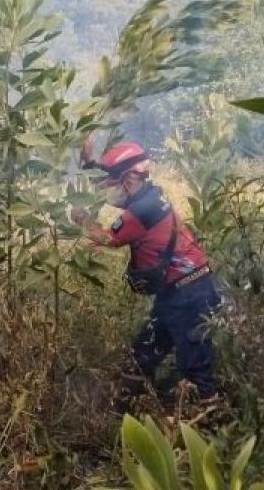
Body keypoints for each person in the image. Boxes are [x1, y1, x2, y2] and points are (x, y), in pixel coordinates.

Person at [72, 141, 222, 406]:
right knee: (141, 356)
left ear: (130, 178)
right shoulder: (150, 195)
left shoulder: (142, 210)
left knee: (197, 371)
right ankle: (128, 411)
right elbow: (105, 180)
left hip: (188, 295)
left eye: (115, 184)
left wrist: (82, 219)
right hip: (179, 292)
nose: (111, 190)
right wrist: (87, 165)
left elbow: (107, 239)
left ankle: (210, 427)